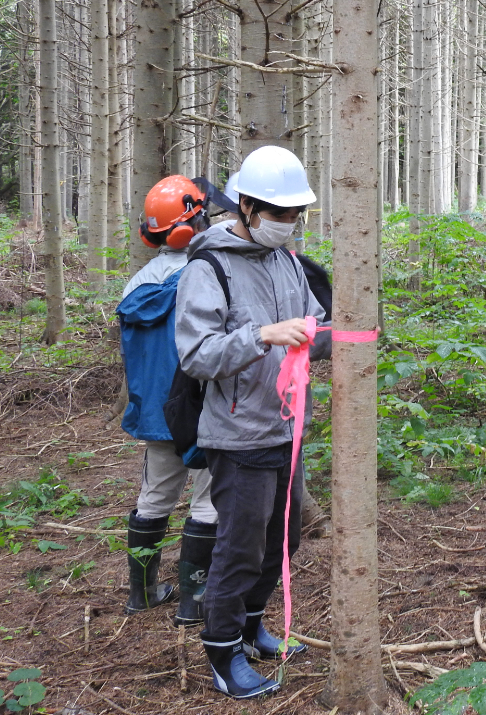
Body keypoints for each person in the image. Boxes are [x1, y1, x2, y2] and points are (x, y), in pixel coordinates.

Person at [174, 146, 329, 699]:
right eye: (278, 214)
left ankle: (253, 626)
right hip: (238, 437)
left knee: (280, 541)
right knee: (238, 547)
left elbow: (315, 321)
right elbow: (196, 354)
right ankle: (222, 652)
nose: (287, 225)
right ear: (246, 206)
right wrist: (262, 335)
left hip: (287, 430)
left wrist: (337, 336)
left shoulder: (288, 262)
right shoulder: (208, 266)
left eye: (295, 215)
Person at [116, 175, 218, 623]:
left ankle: (143, 594)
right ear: (193, 222)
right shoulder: (207, 277)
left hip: (156, 413)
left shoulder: (135, 285)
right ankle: (194, 602)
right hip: (202, 408)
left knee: (154, 496)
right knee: (208, 501)